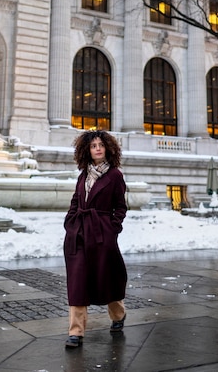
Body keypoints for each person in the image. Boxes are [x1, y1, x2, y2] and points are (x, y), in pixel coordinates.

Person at [63, 130, 128, 349]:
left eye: (101, 145)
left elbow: (120, 206)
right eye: (93, 146)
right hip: (79, 233)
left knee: (106, 277)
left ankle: (118, 315)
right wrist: (70, 223)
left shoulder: (115, 175)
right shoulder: (83, 174)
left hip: (102, 233)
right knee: (78, 281)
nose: (97, 148)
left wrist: (112, 228)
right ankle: (76, 332)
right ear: (87, 150)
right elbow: (75, 200)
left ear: (108, 148)